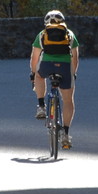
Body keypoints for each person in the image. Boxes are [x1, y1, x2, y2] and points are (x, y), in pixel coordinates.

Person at [30, 10, 80, 148]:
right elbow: (75, 58)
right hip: (65, 67)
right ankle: (65, 133)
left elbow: (34, 58)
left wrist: (33, 74)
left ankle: (41, 106)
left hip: (46, 66)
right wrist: (73, 73)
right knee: (68, 100)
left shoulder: (42, 34)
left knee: (39, 76)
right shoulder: (69, 34)